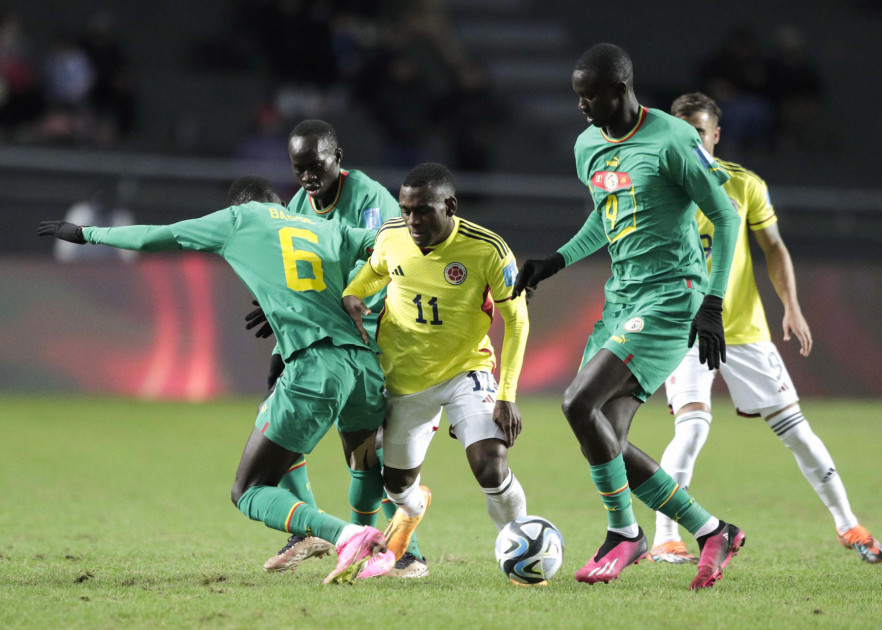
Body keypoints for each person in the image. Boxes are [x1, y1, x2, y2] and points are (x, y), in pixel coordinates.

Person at [38, 175, 393, 584]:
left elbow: (155, 237)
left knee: (249, 490)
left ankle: (345, 536)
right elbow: (383, 244)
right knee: (363, 466)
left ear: (242, 205)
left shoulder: (242, 218)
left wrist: (87, 233)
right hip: (366, 366)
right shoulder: (322, 224)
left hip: (318, 366)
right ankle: (387, 550)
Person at [513, 43, 744, 590]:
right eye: (577, 96)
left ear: (620, 89)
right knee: (606, 436)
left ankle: (624, 534)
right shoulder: (587, 145)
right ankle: (713, 530)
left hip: (670, 296)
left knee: (576, 403)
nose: (581, 106)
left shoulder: (672, 140)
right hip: (621, 299)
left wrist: (712, 303)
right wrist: (556, 261)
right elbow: (605, 216)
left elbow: (726, 217)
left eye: (589, 95)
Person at [650, 92, 882, 565]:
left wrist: (792, 307)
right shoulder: (659, 185)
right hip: (686, 330)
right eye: (682, 131)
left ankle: (849, 525)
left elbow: (774, 247)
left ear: (716, 135)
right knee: (692, 429)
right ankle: (665, 536)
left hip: (743, 328)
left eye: (699, 131)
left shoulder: (743, 185)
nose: (691, 140)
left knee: (796, 430)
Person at [246, 119, 429, 579]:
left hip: (376, 336)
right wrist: (278, 304)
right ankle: (309, 531)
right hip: (322, 337)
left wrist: (347, 301)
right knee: (275, 412)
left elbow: (392, 256)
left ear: (338, 158)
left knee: (367, 455)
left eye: (316, 165)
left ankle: (405, 551)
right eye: (299, 167)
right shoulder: (296, 205)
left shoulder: (368, 199)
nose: (308, 176)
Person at [342, 162, 530, 568]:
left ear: (450, 205)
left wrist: (507, 394)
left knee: (490, 463)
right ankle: (413, 506)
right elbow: (375, 271)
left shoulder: (488, 249)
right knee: (397, 488)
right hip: (404, 377)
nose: (412, 220)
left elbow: (517, 319)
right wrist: (353, 293)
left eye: (423, 210)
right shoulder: (392, 235)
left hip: (467, 369)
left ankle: (521, 548)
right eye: (406, 209)